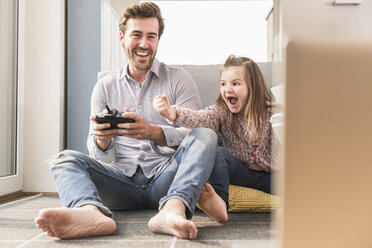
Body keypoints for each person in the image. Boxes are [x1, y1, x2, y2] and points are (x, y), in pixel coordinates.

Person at [34, 2, 222, 240]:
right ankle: (90, 213)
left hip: (167, 178)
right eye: (137, 35)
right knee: (62, 159)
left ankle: (173, 210)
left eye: (151, 36)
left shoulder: (178, 79)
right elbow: (97, 155)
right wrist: (102, 139)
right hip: (120, 181)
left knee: (207, 135)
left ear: (157, 40)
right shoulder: (105, 86)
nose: (144, 44)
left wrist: (153, 132)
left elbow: (195, 134)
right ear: (122, 38)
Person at [153, 55, 279, 221]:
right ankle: (219, 201)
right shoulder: (222, 112)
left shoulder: (273, 112)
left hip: (274, 175)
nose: (227, 89)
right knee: (218, 153)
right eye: (223, 84)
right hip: (240, 173)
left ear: (253, 87)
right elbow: (200, 118)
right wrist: (173, 113)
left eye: (236, 83)